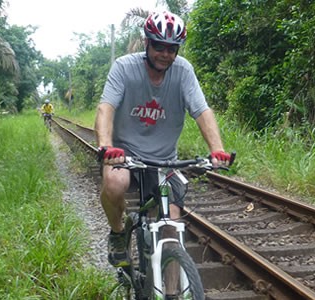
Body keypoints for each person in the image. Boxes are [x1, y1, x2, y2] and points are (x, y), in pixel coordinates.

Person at [95, 11, 232, 267]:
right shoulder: (124, 67)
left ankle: (170, 293)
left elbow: (202, 111)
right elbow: (106, 108)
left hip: (165, 160)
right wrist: (106, 145)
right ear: (146, 42)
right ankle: (117, 233)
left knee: (172, 231)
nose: (165, 54)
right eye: (159, 46)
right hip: (125, 154)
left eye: (172, 48)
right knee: (114, 183)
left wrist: (217, 149)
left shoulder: (183, 71)